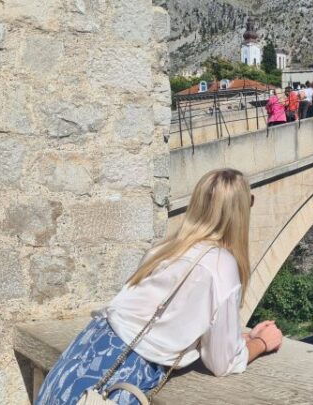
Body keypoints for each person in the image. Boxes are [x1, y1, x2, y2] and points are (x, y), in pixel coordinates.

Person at [35, 169, 284, 405]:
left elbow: (160, 320)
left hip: (85, 350)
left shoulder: (165, 249)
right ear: (240, 212)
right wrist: (261, 343)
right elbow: (223, 362)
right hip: (125, 371)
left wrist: (231, 337)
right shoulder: (222, 265)